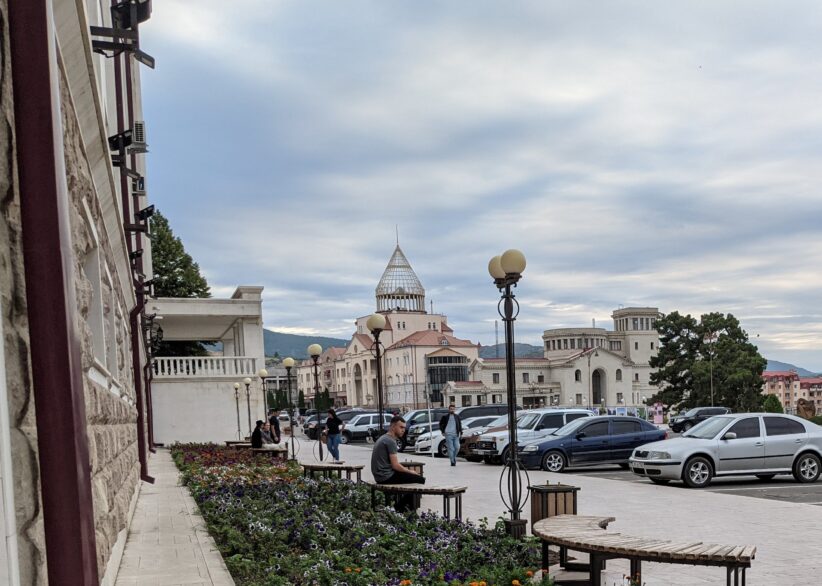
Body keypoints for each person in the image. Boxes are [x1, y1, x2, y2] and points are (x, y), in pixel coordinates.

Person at [371, 416, 424, 512]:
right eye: (401, 427)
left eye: (404, 427)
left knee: (411, 480)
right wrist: (410, 472)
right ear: (393, 427)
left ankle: (404, 508)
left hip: (380, 475)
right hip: (385, 477)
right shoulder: (390, 441)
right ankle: (401, 509)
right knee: (419, 479)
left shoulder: (384, 438)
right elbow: (395, 465)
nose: (403, 430)